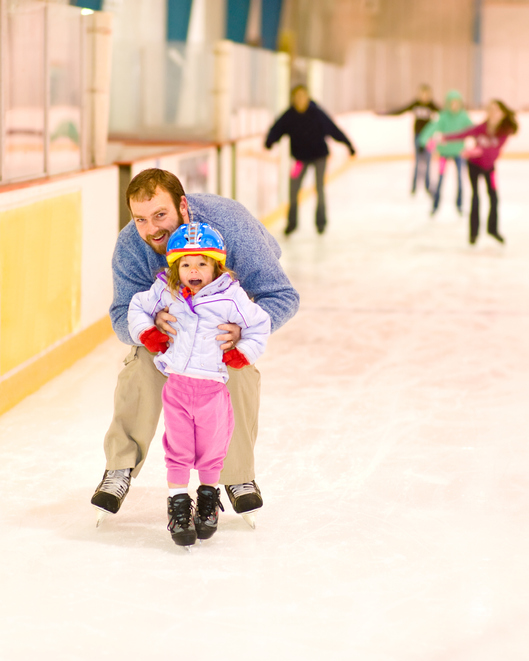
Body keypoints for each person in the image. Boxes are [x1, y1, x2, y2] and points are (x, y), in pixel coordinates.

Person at [91, 168, 299, 524]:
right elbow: (121, 315)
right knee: (142, 361)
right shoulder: (131, 246)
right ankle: (120, 468)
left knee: (235, 365)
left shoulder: (229, 225)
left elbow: (282, 295)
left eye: (160, 215)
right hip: (169, 327)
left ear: (183, 206)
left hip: (224, 313)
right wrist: (149, 326)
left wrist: (242, 332)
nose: (151, 229)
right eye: (140, 219)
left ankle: (237, 475)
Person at [128, 222, 271, 547]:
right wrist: (147, 331)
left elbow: (260, 323)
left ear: (215, 265)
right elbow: (137, 307)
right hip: (176, 389)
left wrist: (243, 352)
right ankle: (178, 508)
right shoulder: (166, 290)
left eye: (202, 263)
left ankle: (208, 501)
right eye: (186, 264)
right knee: (176, 452)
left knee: (211, 453)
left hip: (212, 393)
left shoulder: (230, 297)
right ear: (176, 266)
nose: (194, 270)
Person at [264, 84, 356, 235]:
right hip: (300, 159)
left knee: (319, 188)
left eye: (303, 96)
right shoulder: (289, 116)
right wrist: (269, 141)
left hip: (320, 157)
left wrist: (349, 145)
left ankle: (321, 223)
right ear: (293, 99)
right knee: (293, 190)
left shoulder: (317, 113)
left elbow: (333, 129)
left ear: (307, 97)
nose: (300, 100)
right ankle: (291, 224)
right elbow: (276, 129)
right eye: (297, 97)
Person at [431, 99, 518, 244]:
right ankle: (473, 233)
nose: (493, 112)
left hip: (490, 169)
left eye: (496, 110)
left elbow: (495, 151)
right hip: (473, 167)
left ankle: (493, 230)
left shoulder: (505, 130)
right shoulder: (481, 128)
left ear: (503, 113)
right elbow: (463, 134)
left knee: (494, 198)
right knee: (475, 198)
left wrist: (479, 150)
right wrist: (444, 138)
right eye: (490, 109)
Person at [420, 90, 473, 215]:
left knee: (460, 179)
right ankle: (435, 205)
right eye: (452, 103)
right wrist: (423, 140)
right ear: (448, 103)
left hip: (459, 154)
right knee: (441, 178)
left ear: (460, 103)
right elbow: (432, 128)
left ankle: (459, 205)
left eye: (456, 103)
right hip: (444, 153)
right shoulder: (443, 116)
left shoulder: (463, 116)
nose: (454, 105)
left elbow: (473, 129)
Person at [384, 83, 440, 195]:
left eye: (426, 94)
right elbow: (401, 110)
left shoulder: (432, 105)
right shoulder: (415, 104)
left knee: (428, 161)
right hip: (417, 136)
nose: (424, 96)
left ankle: (428, 186)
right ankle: (414, 187)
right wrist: (385, 113)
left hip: (429, 138)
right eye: (422, 94)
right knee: (418, 161)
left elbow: (444, 114)